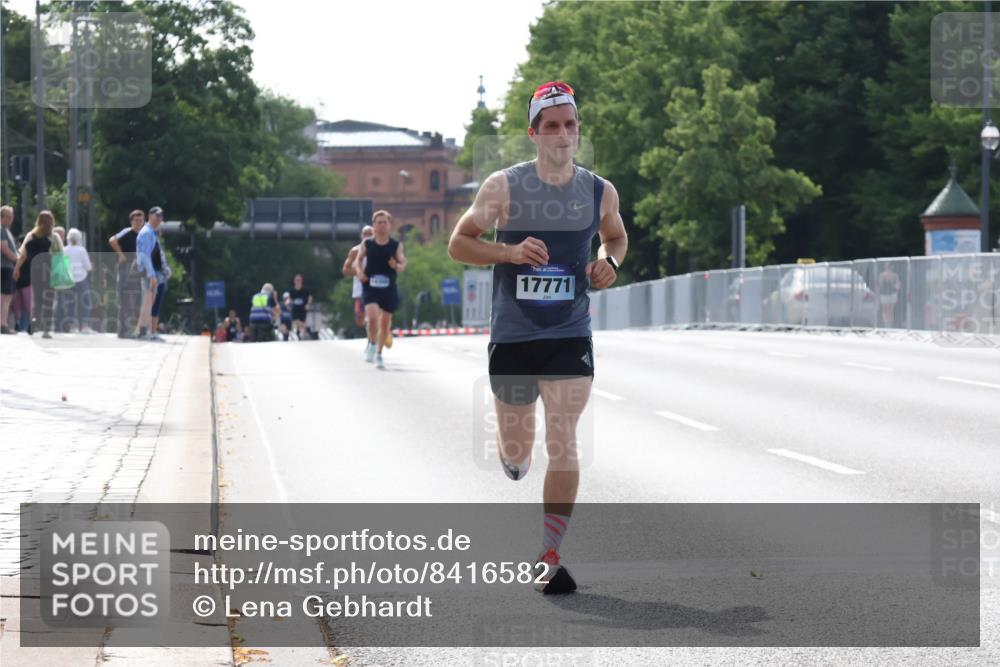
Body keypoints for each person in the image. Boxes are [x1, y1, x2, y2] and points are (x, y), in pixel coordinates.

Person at [447, 81, 627, 594]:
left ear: (578, 129)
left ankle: (549, 553)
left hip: (570, 332)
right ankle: (513, 456)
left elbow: (615, 236)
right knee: (518, 448)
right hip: (514, 336)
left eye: (570, 124)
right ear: (534, 133)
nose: (563, 134)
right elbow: (460, 244)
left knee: (564, 439)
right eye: (552, 125)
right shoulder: (503, 188)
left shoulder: (599, 191)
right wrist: (508, 253)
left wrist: (608, 262)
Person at [355, 210, 406, 369]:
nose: (382, 225)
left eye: (385, 222)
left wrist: (396, 266)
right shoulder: (367, 244)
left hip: (388, 287)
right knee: (372, 318)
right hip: (370, 285)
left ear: (390, 225)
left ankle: (379, 353)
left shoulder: (395, 245)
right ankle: (371, 343)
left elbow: (403, 263)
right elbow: (358, 261)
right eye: (379, 222)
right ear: (374, 226)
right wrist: (359, 272)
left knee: (385, 324)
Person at [13, 210, 65, 339]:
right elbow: (60, 256)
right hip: (50, 272)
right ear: (52, 222)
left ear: (38, 221)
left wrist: (17, 268)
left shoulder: (31, 235)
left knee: (37, 299)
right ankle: (46, 329)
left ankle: (34, 322)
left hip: (35, 271)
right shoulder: (54, 237)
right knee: (49, 300)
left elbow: (23, 254)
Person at [109, 210, 144, 338]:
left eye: (141, 220)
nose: (139, 222)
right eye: (136, 220)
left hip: (139, 270)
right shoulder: (127, 231)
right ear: (131, 221)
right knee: (124, 299)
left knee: (137, 299)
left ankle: (137, 329)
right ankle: (123, 330)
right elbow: (112, 240)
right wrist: (121, 255)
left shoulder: (144, 234)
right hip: (126, 268)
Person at [342, 225, 375, 348]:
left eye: (370, 233)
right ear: (361, 236)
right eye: (365, 233)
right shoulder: (355, 251)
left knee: (372, 317)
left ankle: (372, 343)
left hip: (376, 288)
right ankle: (370, 332)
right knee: (360, 320)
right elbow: (345, 270)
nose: (367, 236)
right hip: (359, 290)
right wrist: (360, 272)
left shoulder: (379, 249)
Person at [135, 206, 165, 341]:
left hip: (149, 271)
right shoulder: (147, 232)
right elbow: (145, 255)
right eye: (156, 216)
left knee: (149, 302)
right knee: (148, 302)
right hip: (149, 272)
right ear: (149, 215)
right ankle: (142, 330)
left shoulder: (150, 232)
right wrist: (152, 274)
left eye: (161, 216)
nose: (159, 219)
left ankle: (142, 330)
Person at [64, 228, 95, 333]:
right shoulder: (81, 250)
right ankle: (85, 326)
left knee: (70, 303)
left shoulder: (64, 250)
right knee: (86, 302)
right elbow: (88, 266)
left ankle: (72, 326)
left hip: (69, 279)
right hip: (81, 278)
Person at [150, 224, 171, 337]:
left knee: (155, 304)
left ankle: (152, 331)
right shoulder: (153, 240)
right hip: (157, 275)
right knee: (154, 303)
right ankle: (152, 331)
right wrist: (166, 271)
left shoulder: (156, 240)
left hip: (159, 275)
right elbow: (158, 260)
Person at [1, 206, 18, 334]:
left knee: (7, 295)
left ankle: (3, 323)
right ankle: (3, 324)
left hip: (8, 266)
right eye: (9, 216)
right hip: (4, 266)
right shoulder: (1, 230)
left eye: (12, 216)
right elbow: (4, 248)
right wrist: (17, 260)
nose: (11, 219)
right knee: (5, 295)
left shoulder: (6, 230)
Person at [288, 274, 313, 341]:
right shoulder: (291, 291)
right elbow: (289, 299)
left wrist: (308, 304)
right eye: (297, 280)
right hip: (295, 309)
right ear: (294, 281)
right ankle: (303, 331)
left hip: (303, 309)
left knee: (302, 322)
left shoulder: (305, 290)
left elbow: (310, 297)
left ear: (301, 281)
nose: (298, 281)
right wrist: (289, 303)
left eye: (299, 280)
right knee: (296, 322)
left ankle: (300, 333)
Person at [877, 263, 901, 328]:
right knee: (887, 310)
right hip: (886, 295)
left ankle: (888, 325)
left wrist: (895, 286)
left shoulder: (894, 275)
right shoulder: (883, 275)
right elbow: (880, 285)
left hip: (890, 294)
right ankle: (887, 324)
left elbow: (898, 285)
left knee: (889, 310)